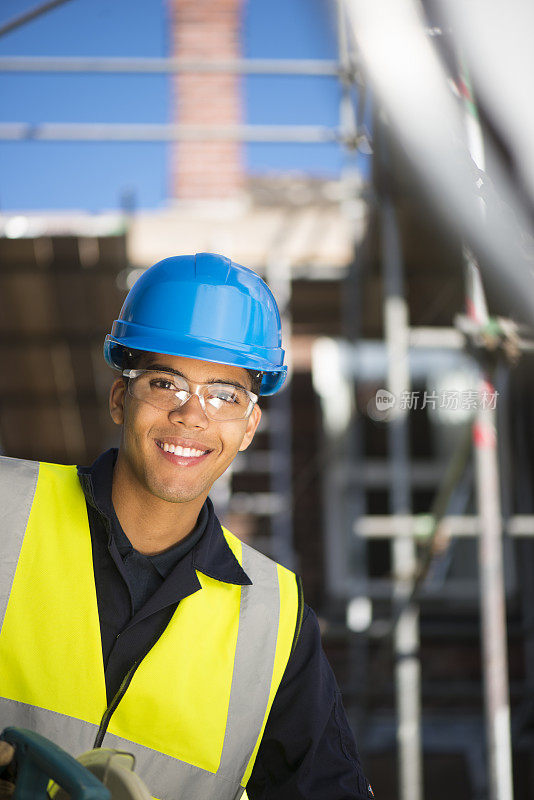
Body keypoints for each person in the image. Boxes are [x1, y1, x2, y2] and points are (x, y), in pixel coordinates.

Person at [0, 253, 373, 800]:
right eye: (166, 383)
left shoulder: (275, 622)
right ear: (120, 397)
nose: (192, 415)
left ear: (249, 427)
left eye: (225, 394)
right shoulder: (6, 510)